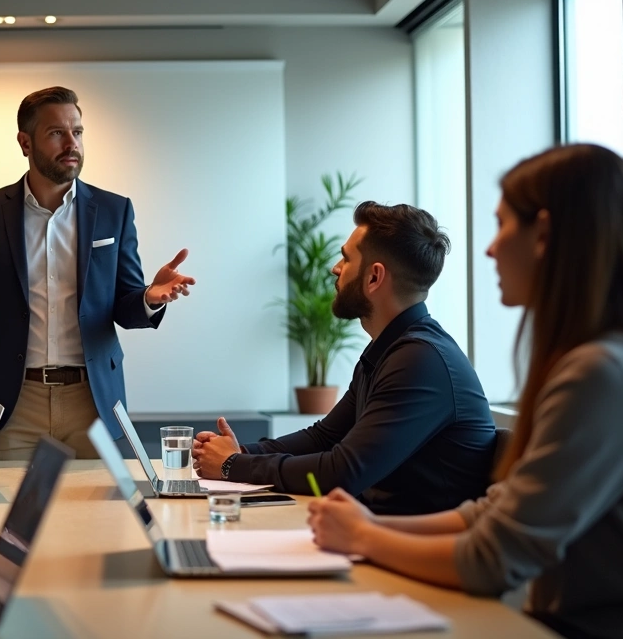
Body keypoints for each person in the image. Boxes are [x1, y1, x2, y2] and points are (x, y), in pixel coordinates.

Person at [309, 144, 623, 639]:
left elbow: (491, 559)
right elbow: (492, 513)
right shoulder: (597, 362)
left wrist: (366, 536)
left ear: (543, 234)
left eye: (501, 225)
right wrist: (367, 527)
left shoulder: (604, 374)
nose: (490, 248)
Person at [0, 86, 196, 459]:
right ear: (25, 142)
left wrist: (149, 298)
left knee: (98, 515)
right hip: (12, 402)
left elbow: (124, 306)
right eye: (56, 133)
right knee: (2, 514)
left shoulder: (114, 210)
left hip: (94, 401)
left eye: (78, 132)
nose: (71, 143)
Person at [193, 202, 496, 515]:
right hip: (378, 534)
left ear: (374, 277)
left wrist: (233, 465)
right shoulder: (389, 351)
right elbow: (325, 436)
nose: (335, 268)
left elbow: (344, 471)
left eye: (346, 258)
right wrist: (239, 451)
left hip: (412, 552)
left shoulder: (421, 361)